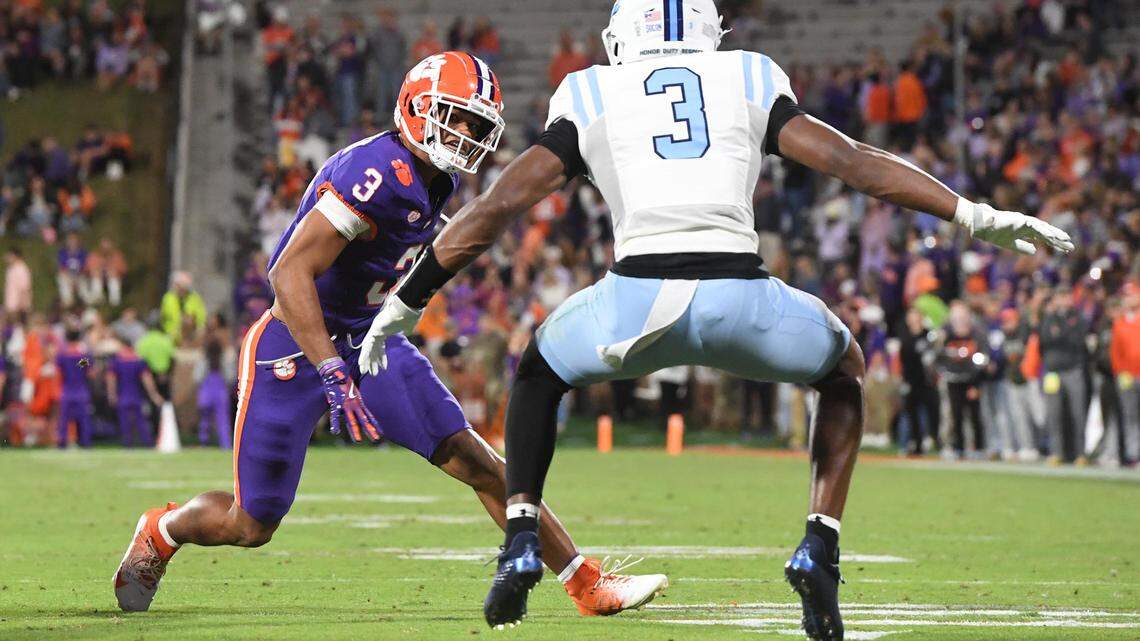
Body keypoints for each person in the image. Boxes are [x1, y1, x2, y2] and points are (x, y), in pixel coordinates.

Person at [357, 1, 1074, 634]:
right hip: (742, 295)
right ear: (708, 33)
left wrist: (406, 299)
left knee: (540, 369)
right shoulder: (750, 75)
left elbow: (495, 209)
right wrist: (976, 215)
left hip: (634, 300)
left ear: (621, 36)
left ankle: (520, 536)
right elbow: (853, 162)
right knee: (845, 368)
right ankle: (818, 547)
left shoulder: (590, 89)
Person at [114, 52, 665, 618]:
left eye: (476, 126)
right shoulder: (373, 173)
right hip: (293, 344)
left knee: (473, 458)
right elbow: (287, 275)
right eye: (455, 118)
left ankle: (586, 584)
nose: (465, 135)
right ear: (416, 107)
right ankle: (163, 530)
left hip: (369, 341)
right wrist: (330, 370)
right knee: (251, 524)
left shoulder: (437, 176)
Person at [1038, 286, 1090, 464]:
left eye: (1066, 295)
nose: (1063, 299)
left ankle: (1080, 453)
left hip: (1073, 369)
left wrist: (1060, 334)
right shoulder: (1049, 318)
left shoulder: (1077, 317)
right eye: (1060, 296)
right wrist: (1063, 334)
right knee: (1054, 414)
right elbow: (1045, 339)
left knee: (1078, 413)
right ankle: (1057, 452)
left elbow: (1078, 340)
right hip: (1053, 371)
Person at [108, 340, 164, 447]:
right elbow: (147, 379)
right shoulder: (139, 361)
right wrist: (154, 395)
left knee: (125, 423)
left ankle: (127, 445)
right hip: (136, 396)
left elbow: (107, 377)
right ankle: (147, 444)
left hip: (123, 396)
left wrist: (112, 394)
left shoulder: (116, 361)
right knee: (141, 422)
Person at [1109, 282, 1140, 465]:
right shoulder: (1120, 323)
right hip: (1127, 375)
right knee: (1130, 416)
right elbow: (1115, 352)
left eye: (1132, 295)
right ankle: (1134, 454)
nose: (1129, 299)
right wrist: (1120, 372)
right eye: (1126, 296)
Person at [56, 329, 93, 448]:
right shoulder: (83, 357)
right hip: (81, 390)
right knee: (83, 419)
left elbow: (59, 373)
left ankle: (62, 442)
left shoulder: (62, 356)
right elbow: (90, 373)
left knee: (64, 419)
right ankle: (85, 442)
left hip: (67, 390)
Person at [160, 271, 207, 342]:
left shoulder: (194, 298)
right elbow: (163, 319)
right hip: (170, 338)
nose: (181, 288)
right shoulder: (168, 298)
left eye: (184, 286)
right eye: (178, 285)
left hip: (191, 339)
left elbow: (201, 318)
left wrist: (195, 325)